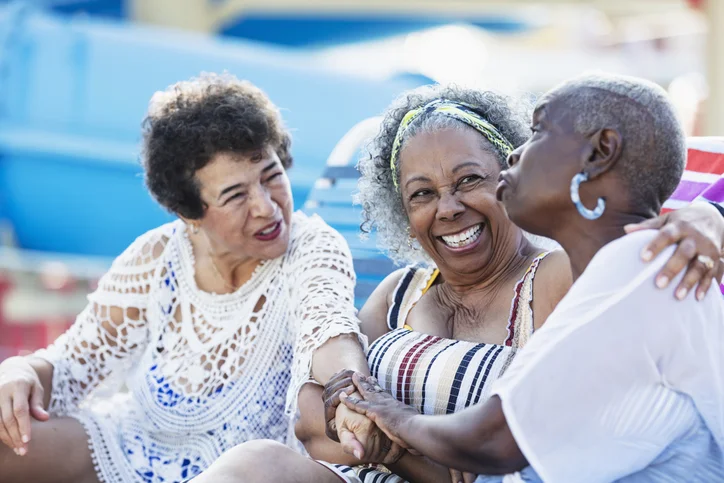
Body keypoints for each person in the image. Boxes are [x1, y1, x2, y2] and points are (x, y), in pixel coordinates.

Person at [193, 82, 724, 483]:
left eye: (469, 180)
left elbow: (496, 447)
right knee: (253, 466)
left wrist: (711, 218)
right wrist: (355, 413)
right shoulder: (399, 293)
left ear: (505, 178)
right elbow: (313, 417)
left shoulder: (567, 274)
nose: (448, 209)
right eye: (421, 194)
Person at [0, 73, 374, 483]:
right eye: (236, 196)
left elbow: (330, 331)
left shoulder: (312, 245)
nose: (266, 208)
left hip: (244, 470)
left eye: (271, 177)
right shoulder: (156, 256)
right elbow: (72, 364)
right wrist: (21, 372)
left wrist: (350, 394)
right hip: (126, 447)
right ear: (189, 212)